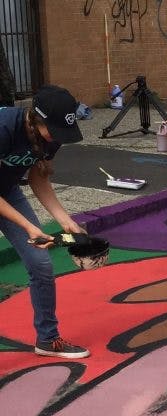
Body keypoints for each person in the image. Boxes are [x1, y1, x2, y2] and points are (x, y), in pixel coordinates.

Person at [0, 85, 90, 359]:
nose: (57, 138)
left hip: (7, 191)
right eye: (53, 130)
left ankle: (48, 340)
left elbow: (39, 177)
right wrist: (28, 226)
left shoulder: (52, 135)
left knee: (40, 263)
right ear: (34, 119)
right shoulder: (4, 128)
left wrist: (66, 222)